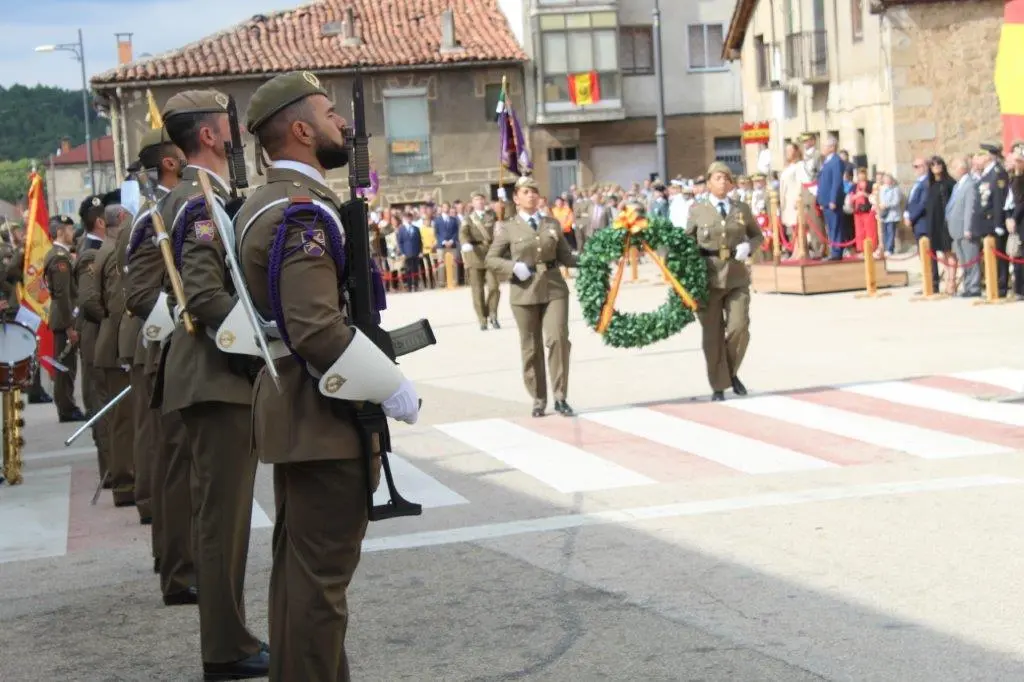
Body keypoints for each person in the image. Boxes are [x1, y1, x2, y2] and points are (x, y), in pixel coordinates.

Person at [236, 70, 420, 682]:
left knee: (300, 580)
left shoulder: (268, 203)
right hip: (320, 414)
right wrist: (388, 385)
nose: (342, 121)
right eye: (328, 111)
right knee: (319, 589)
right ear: (299, 129)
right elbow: (316, 327)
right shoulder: (301, 211)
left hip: (297, 409)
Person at [158, 89, 268, 679]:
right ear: (208, 135)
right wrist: (263, 347)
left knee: (225, 516)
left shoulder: (208, 196)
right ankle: (226, 649)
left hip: (215, 376)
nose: (237, 129)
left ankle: (232, 639)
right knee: (223, 518)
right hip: (217, 375)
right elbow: (203, 293)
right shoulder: (201, 201)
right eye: (229, 122)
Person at [122, 127, 198, 601]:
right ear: (171, 163)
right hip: (171, 354)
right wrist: (188, 318)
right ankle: (181, 572)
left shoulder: (171, 207)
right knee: (178, 471)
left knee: (182, 469)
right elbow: (140, 294)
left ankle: (179, 563)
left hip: (177, 356)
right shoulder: (158, 215)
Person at [486, 175, 577, 418]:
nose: (532, 195)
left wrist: (594, 258)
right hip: (523, 291)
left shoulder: (551, 223)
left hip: (554, 287)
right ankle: (539, 397)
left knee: (558, 339)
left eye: (534, 191)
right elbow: (491, 259)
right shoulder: (508, 227)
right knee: (531, 347)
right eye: (526, 192)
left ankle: (560, 396)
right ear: (516, 198)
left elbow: (566, 256)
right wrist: (512, 267)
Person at [685, 162, 763, 401]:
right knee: (712, 335)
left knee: (739, 327)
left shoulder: (741, 208)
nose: (723, 182)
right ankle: (719, 385)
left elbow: (757, 234)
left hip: (736, 276)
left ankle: (729, 372)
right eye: (718, 178)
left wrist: (748, 246)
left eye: (727, 178)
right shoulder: (697, 209)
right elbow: (687, 242)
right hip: (708, 278)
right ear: (709, 182)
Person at [84, 197, 135, 508]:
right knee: (124, 421)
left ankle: (126, 482)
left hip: (111, 344)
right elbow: (116, 306)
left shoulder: (104, 250)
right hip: (117, 346)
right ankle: (127, 484)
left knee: (121, 420)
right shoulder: (114, 253)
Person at [42, 216, 86, 421]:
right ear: (60, 231)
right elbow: (63, 294)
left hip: (65, 318)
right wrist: (70, 326)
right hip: (64, 320)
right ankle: (67, 408)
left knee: (67, 366)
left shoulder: (61, 254)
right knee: (65, 367)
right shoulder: (60, 258)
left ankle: (67, 406)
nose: (72, 232)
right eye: (69, 229)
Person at [974, 143, 1011, 297]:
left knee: (1000, 256)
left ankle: (1001, 287)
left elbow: (999, 199)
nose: (978, 158)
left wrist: (998, 223)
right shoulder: (986, 174)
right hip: (986, 221)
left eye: (981, 155)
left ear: (989, 156)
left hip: (994, 222)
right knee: (990, 256)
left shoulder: (998, 173)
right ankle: (992, 284)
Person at [459, 191, 501, 330]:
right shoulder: (469, 218)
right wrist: (465, 242)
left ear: (485, 201)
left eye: (482, 199)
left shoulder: (492, 215)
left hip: (490, 255)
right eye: (477, 200)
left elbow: (503, 219)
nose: (480, 202)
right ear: (472, 203)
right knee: (477, 290)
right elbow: (463, 232)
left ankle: (493, 314)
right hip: (475, 255)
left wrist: (504, 200)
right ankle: (482, 318)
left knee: (494, 287)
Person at [816, 137, 846, 261]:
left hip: (832, 201)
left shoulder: (836, 161)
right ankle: (833, 249)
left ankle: (836, 252)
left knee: (835, 226)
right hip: (825, 200)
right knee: (830, 226)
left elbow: (836, 182)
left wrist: (833, 199)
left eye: (825, 146)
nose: (823, 148)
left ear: (832, 147)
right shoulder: (827, 161)